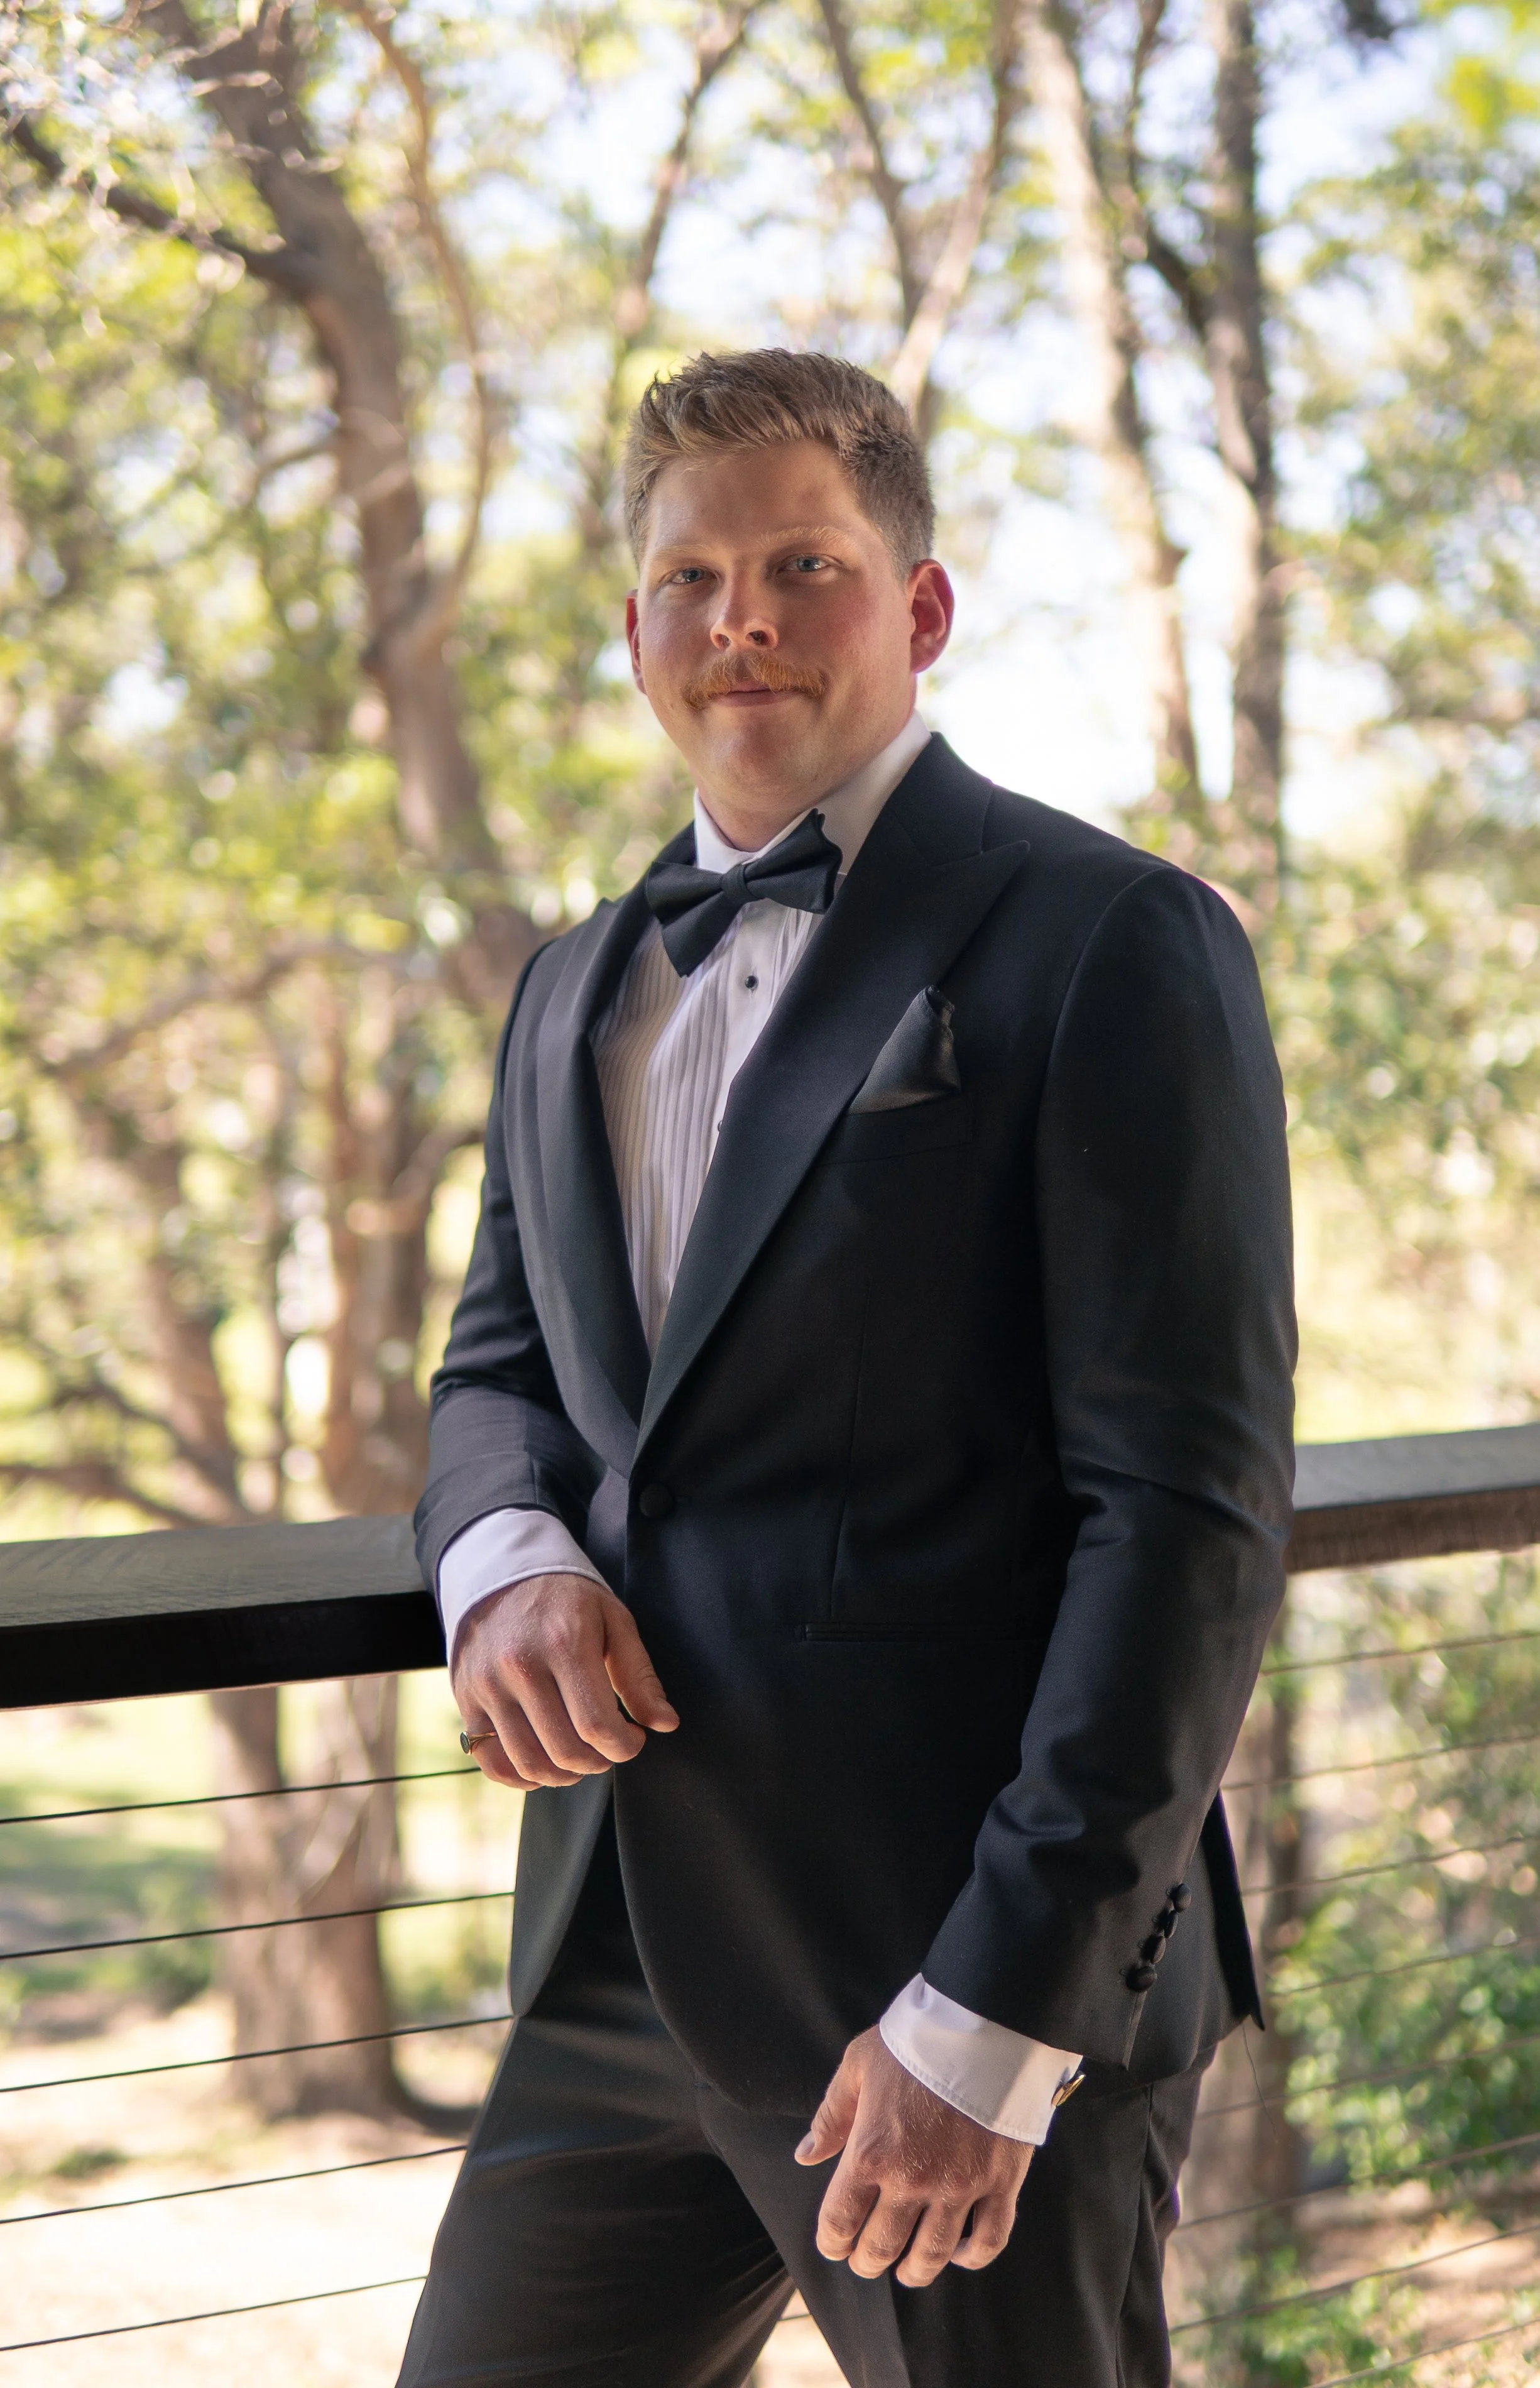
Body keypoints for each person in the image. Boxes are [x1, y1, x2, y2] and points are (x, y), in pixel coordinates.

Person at [398, 349, 1295, 2388]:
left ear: (918, 605)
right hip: (614, 1958)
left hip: (954, 1979)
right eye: (691, 576)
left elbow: (1187, 1520)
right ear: (634, 628)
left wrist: (994, 2013)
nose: (741, 620)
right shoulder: (566, 987)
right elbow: (496, 1368)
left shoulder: (1110, 938)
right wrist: (504, 1555)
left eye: (803, 563)